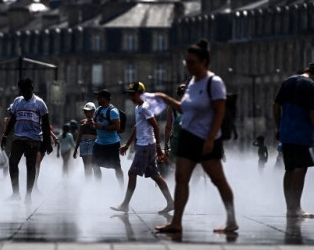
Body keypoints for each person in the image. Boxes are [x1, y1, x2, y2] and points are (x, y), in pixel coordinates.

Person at [154, 39, 238, 233]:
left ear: (204, 62)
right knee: (181, 177)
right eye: (187, 62)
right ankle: (176, 222)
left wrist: (210, 139)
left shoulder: (214, 82)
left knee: (218, 180)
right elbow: (185, 107)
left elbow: (220, 112)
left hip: (207, 138)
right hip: (188, 136)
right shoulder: (191, 83)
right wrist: (166, 99)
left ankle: (231, 220)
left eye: (192, 62)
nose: (188, 65)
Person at [111, 82, 173, 214]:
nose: (131, 97)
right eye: (130, 94)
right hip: (145, 146)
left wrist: (158, 148)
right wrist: (127, 145)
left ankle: (125, 204)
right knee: (155, 175)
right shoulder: (138, 107)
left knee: (132, 173)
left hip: (146, 146)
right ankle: (171, 202)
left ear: (141, 94)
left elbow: (155, 127)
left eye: (133, 94)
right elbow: (137, 127)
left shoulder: (145, 108)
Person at [273, 62, 314, 218]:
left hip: (286, 133)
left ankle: (290, 208)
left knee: (289, 169)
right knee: (300, 169)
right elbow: (312, 113)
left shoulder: (288, 81)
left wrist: (278, 126)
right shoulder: (311, 86)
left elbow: (276, 105)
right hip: (302, 133)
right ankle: (296, 208)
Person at [2, 78, 52, 203]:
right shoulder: (17, 102)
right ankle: (16, 193)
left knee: (30, 166)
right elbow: (12, 119)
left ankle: (28, 194)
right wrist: (5, 135)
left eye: (26, 90)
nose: (24, 92)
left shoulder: (40, 103)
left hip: (33, 139)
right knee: (13, 163)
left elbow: (46, 124)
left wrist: (47, 142)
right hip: (18, 137)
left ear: (31, 88)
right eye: (22, 90)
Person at [92, 89, 124, 187]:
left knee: (116, 167)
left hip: (112, 144)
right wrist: (89, 122)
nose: (98, 99)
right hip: (99, 143)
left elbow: (117, 127)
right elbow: (95, 122)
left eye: (100, 97)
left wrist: (102, 127)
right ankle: (98, 186)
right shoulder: (98, 110)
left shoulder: (113, 111)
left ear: (105, 99)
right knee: (95, 165)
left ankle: (121, 187)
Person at [74, 102, 98, 179]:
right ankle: (88, 183)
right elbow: (79, 136)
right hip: (83, 143)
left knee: (92, 164)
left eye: (89, 111)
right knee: (86, 166)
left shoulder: (97, 122)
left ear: (93, 111)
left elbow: (99, 133)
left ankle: (97, 183)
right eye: (86, 111)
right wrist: (75, 149)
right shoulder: (82, 122)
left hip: (93, 143)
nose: (87, 113)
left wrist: (92, 124)